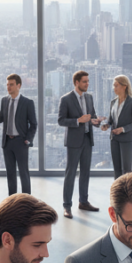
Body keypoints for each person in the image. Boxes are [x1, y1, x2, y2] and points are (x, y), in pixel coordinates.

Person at [57, 70, 102, 219]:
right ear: (77, 83)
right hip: (74, 142)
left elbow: (92, 117)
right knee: (70, 174)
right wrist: (78, 121)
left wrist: (96, 121)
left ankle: (83, 201)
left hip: (87, 140)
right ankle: (67, 206)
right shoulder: (66, 99)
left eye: (88, 81)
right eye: (84, 81)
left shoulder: (89, 98)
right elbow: (61, 120)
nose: (87, 84)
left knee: (85, 173)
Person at [0, 73, 37, 196]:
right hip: (7, 142)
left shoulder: (27, 102)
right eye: (7, 85)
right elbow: (1, 118)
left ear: (19, 85)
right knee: (10, 173)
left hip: (21, 142)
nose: (8, 87)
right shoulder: (4, 101)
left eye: (11, 85)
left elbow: (34, 124)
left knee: (24, 173)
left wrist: (28, 140)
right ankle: (12, 201)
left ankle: (26, 201)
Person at [101, 74, 132, 179]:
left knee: (127, 170)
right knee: (117, 169)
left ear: (124, 86)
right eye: (113, 86)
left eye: (116, 85)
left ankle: (128, 193)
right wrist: (106, 125)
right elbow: (111, 120)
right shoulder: (113, 102)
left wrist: (123, 129)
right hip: (114, 139)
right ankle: (118, 193)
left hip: (126, 139)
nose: (114, 88)